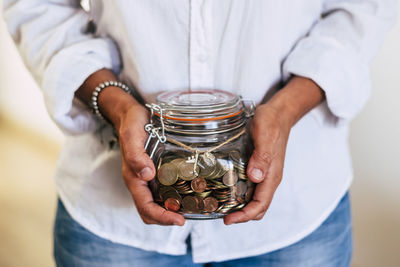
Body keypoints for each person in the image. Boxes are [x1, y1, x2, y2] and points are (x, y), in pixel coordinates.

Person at [3, 0, 396, 266]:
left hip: (299, 215)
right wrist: (117, 104)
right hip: (111, 218)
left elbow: (362, 9)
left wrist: (287, 107)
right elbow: (38, 7)